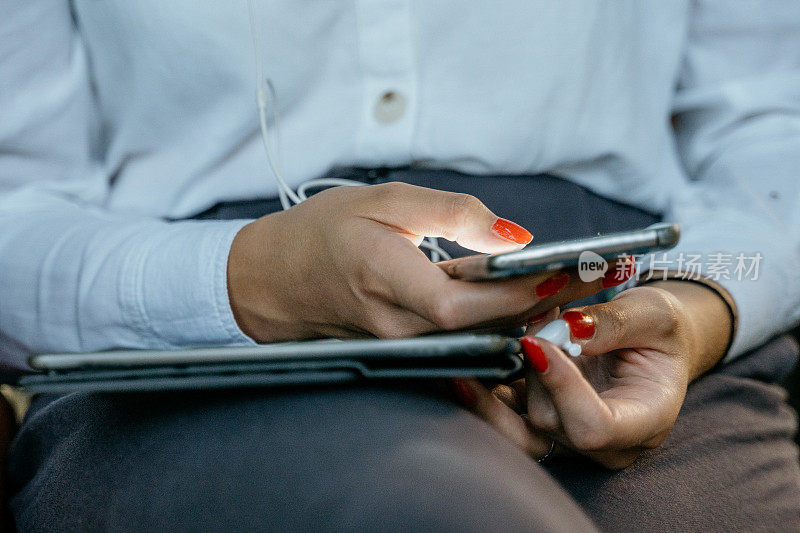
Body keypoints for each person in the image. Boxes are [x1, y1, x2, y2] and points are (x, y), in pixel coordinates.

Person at [2, 1, 799, 531]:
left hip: (626, 324)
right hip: (197, 346)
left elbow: (772, 127)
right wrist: (244, 280)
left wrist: (697, 305)